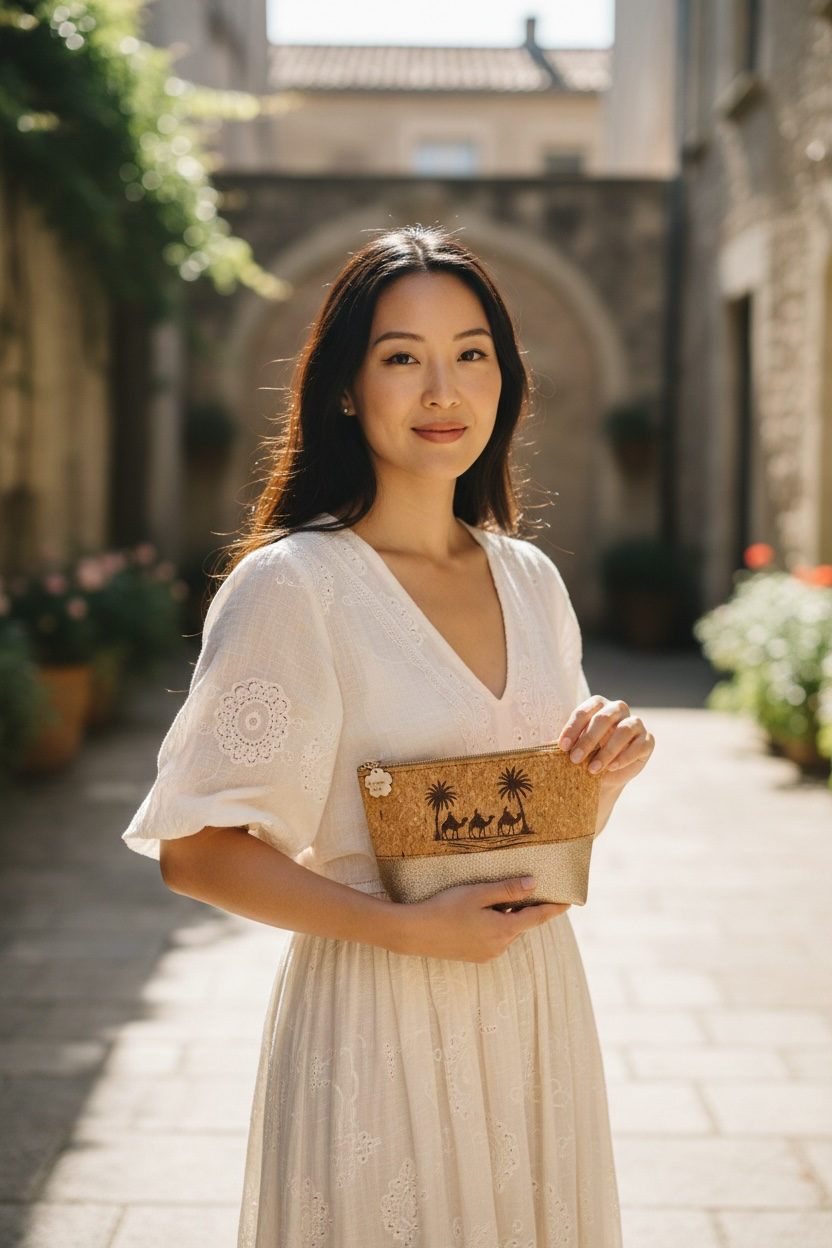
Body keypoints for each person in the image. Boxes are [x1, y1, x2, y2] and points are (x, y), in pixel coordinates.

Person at [124, 225, 654, 1247]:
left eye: (471, 354)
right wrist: (411, 931)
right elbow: (196, 853)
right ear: (344, 388)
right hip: (377, 1025)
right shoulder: (293, 587)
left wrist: (607, 766)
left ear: (505, 381)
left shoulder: (531, 580)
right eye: (402, 357)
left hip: (535, 1014)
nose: (442, 391)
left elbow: (533, 829)